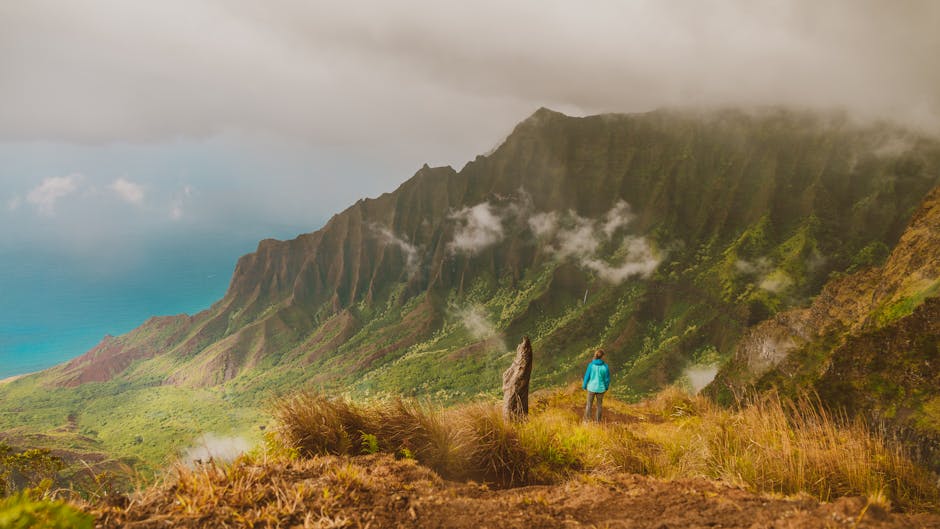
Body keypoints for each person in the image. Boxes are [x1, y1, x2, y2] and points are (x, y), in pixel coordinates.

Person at [582, 349, 610, 422]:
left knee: (589, 405)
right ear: (602, 356)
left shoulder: (591, 365)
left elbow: (587, 376)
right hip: (601, 389)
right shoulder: (605, 367)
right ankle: (598, 422)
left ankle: (586, 421)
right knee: (599, 406)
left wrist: (584, 385)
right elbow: (607, 379)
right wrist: (606, 387)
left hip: (591, 388)